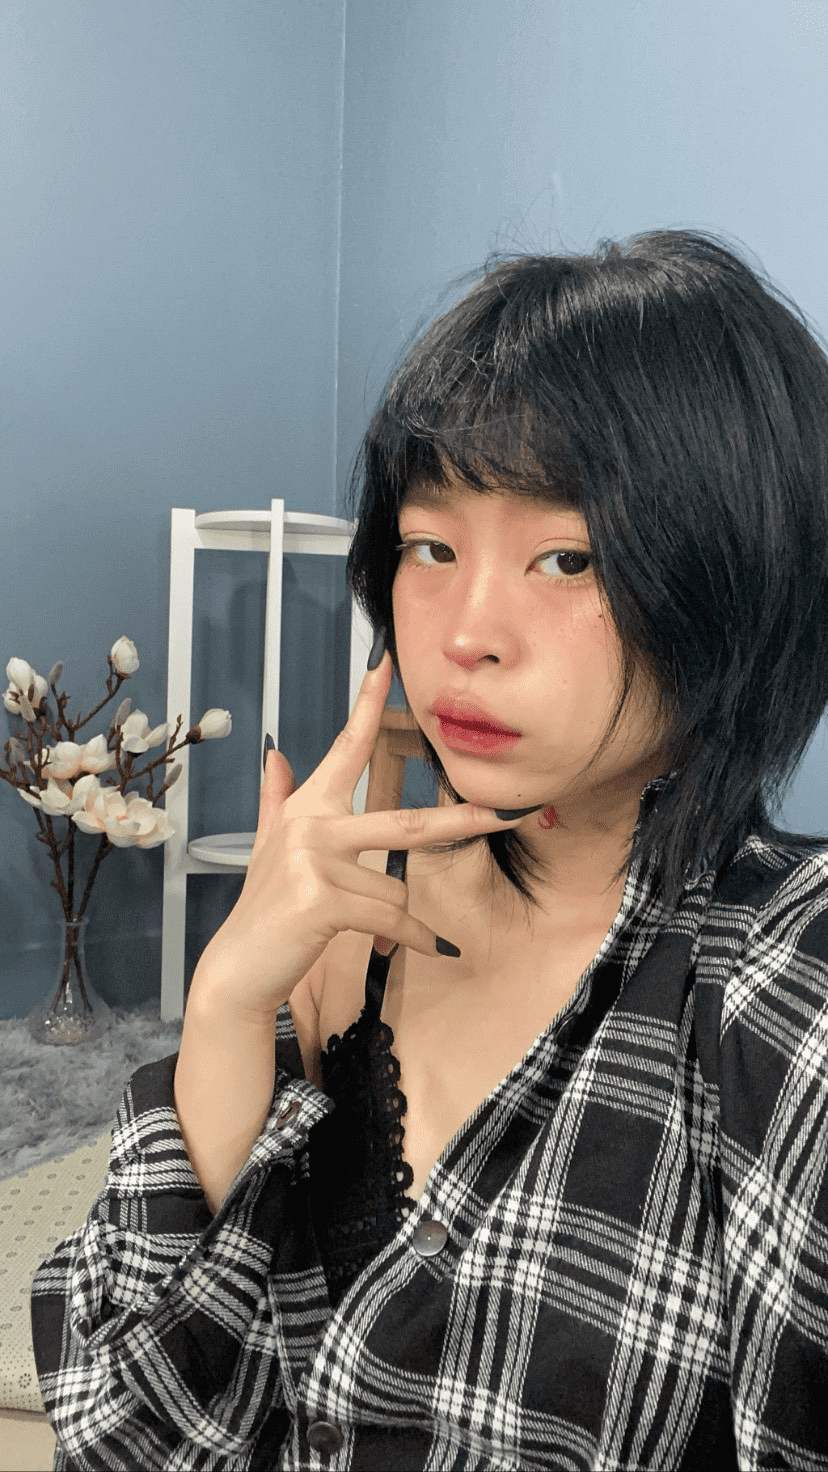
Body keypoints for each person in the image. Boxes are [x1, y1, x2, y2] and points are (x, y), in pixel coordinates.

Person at [32, 230, 828, 1470]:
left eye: (567, 557)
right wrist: (230, 1000)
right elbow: (131, 1429)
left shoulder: (782, 984)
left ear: (734, 579)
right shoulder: (348, 928)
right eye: (430, 547)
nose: (465, 634)